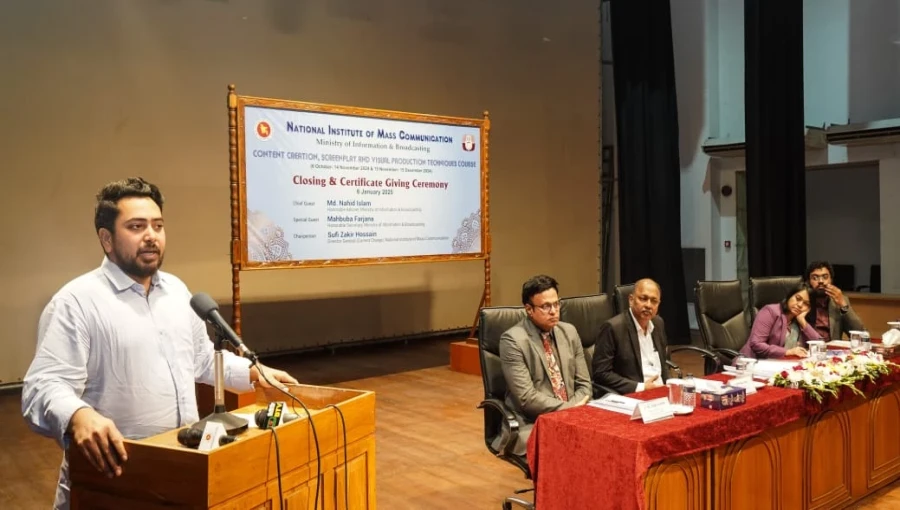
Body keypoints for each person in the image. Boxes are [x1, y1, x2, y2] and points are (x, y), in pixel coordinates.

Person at [21, 177, 299, 510]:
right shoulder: (76, 302)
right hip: (115, 480)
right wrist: (79, 415)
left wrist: (256, 373)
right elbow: (42, 386)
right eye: (136, 226)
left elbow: (200, 360)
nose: (151, 235)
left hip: (182, 467)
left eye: (158, 225)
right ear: (106, 239)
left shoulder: (178, 292)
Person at [498, 275, 592, 457]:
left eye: (556, 304)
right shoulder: (513, 341)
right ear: (529, 309)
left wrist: (574, 411)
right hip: (534, 421)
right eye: (545, 306)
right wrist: (570, 410)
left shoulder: (569, 332)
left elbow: (585, 384)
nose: (554, 311)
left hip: (577, 413)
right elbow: (527, 398)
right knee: (566, 450)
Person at [592, 279, 669, 396]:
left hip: (661, 392)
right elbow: (601, 373)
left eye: (654, 301)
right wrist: (641, 387)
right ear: (631, 300)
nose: (648, 305)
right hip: (634, 395)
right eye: (643, 299)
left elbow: (663, 364)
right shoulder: (613, 328)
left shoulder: (658, 323)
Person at [740, 283, 818, 359]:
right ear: (790, 296)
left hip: (783, 364)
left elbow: (819, 344)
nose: (800, 305)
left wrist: (802, 321)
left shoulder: (799, 320)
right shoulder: (770, 311)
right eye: (798, 298)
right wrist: (787, 352)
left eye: (806, 304)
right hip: (752, 363)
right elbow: (756, 344)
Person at [805, 261, 865, 340]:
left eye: (825, 277)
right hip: (807, 349)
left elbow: (859, 331)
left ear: (831, 280)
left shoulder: (839, 301)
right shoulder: (802, 301)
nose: (820, 281)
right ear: (809, 281)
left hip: (832, 350)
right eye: (815, 278)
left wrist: (843, 304)